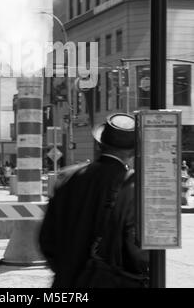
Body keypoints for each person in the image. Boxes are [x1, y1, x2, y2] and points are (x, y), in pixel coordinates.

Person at [39, 113, 149, 288]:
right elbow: (138, 251)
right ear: (134, 151)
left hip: (66, 283)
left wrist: (67, 270)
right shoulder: (132, 184)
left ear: (99, 144)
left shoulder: (67, 176)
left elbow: (46, 238)